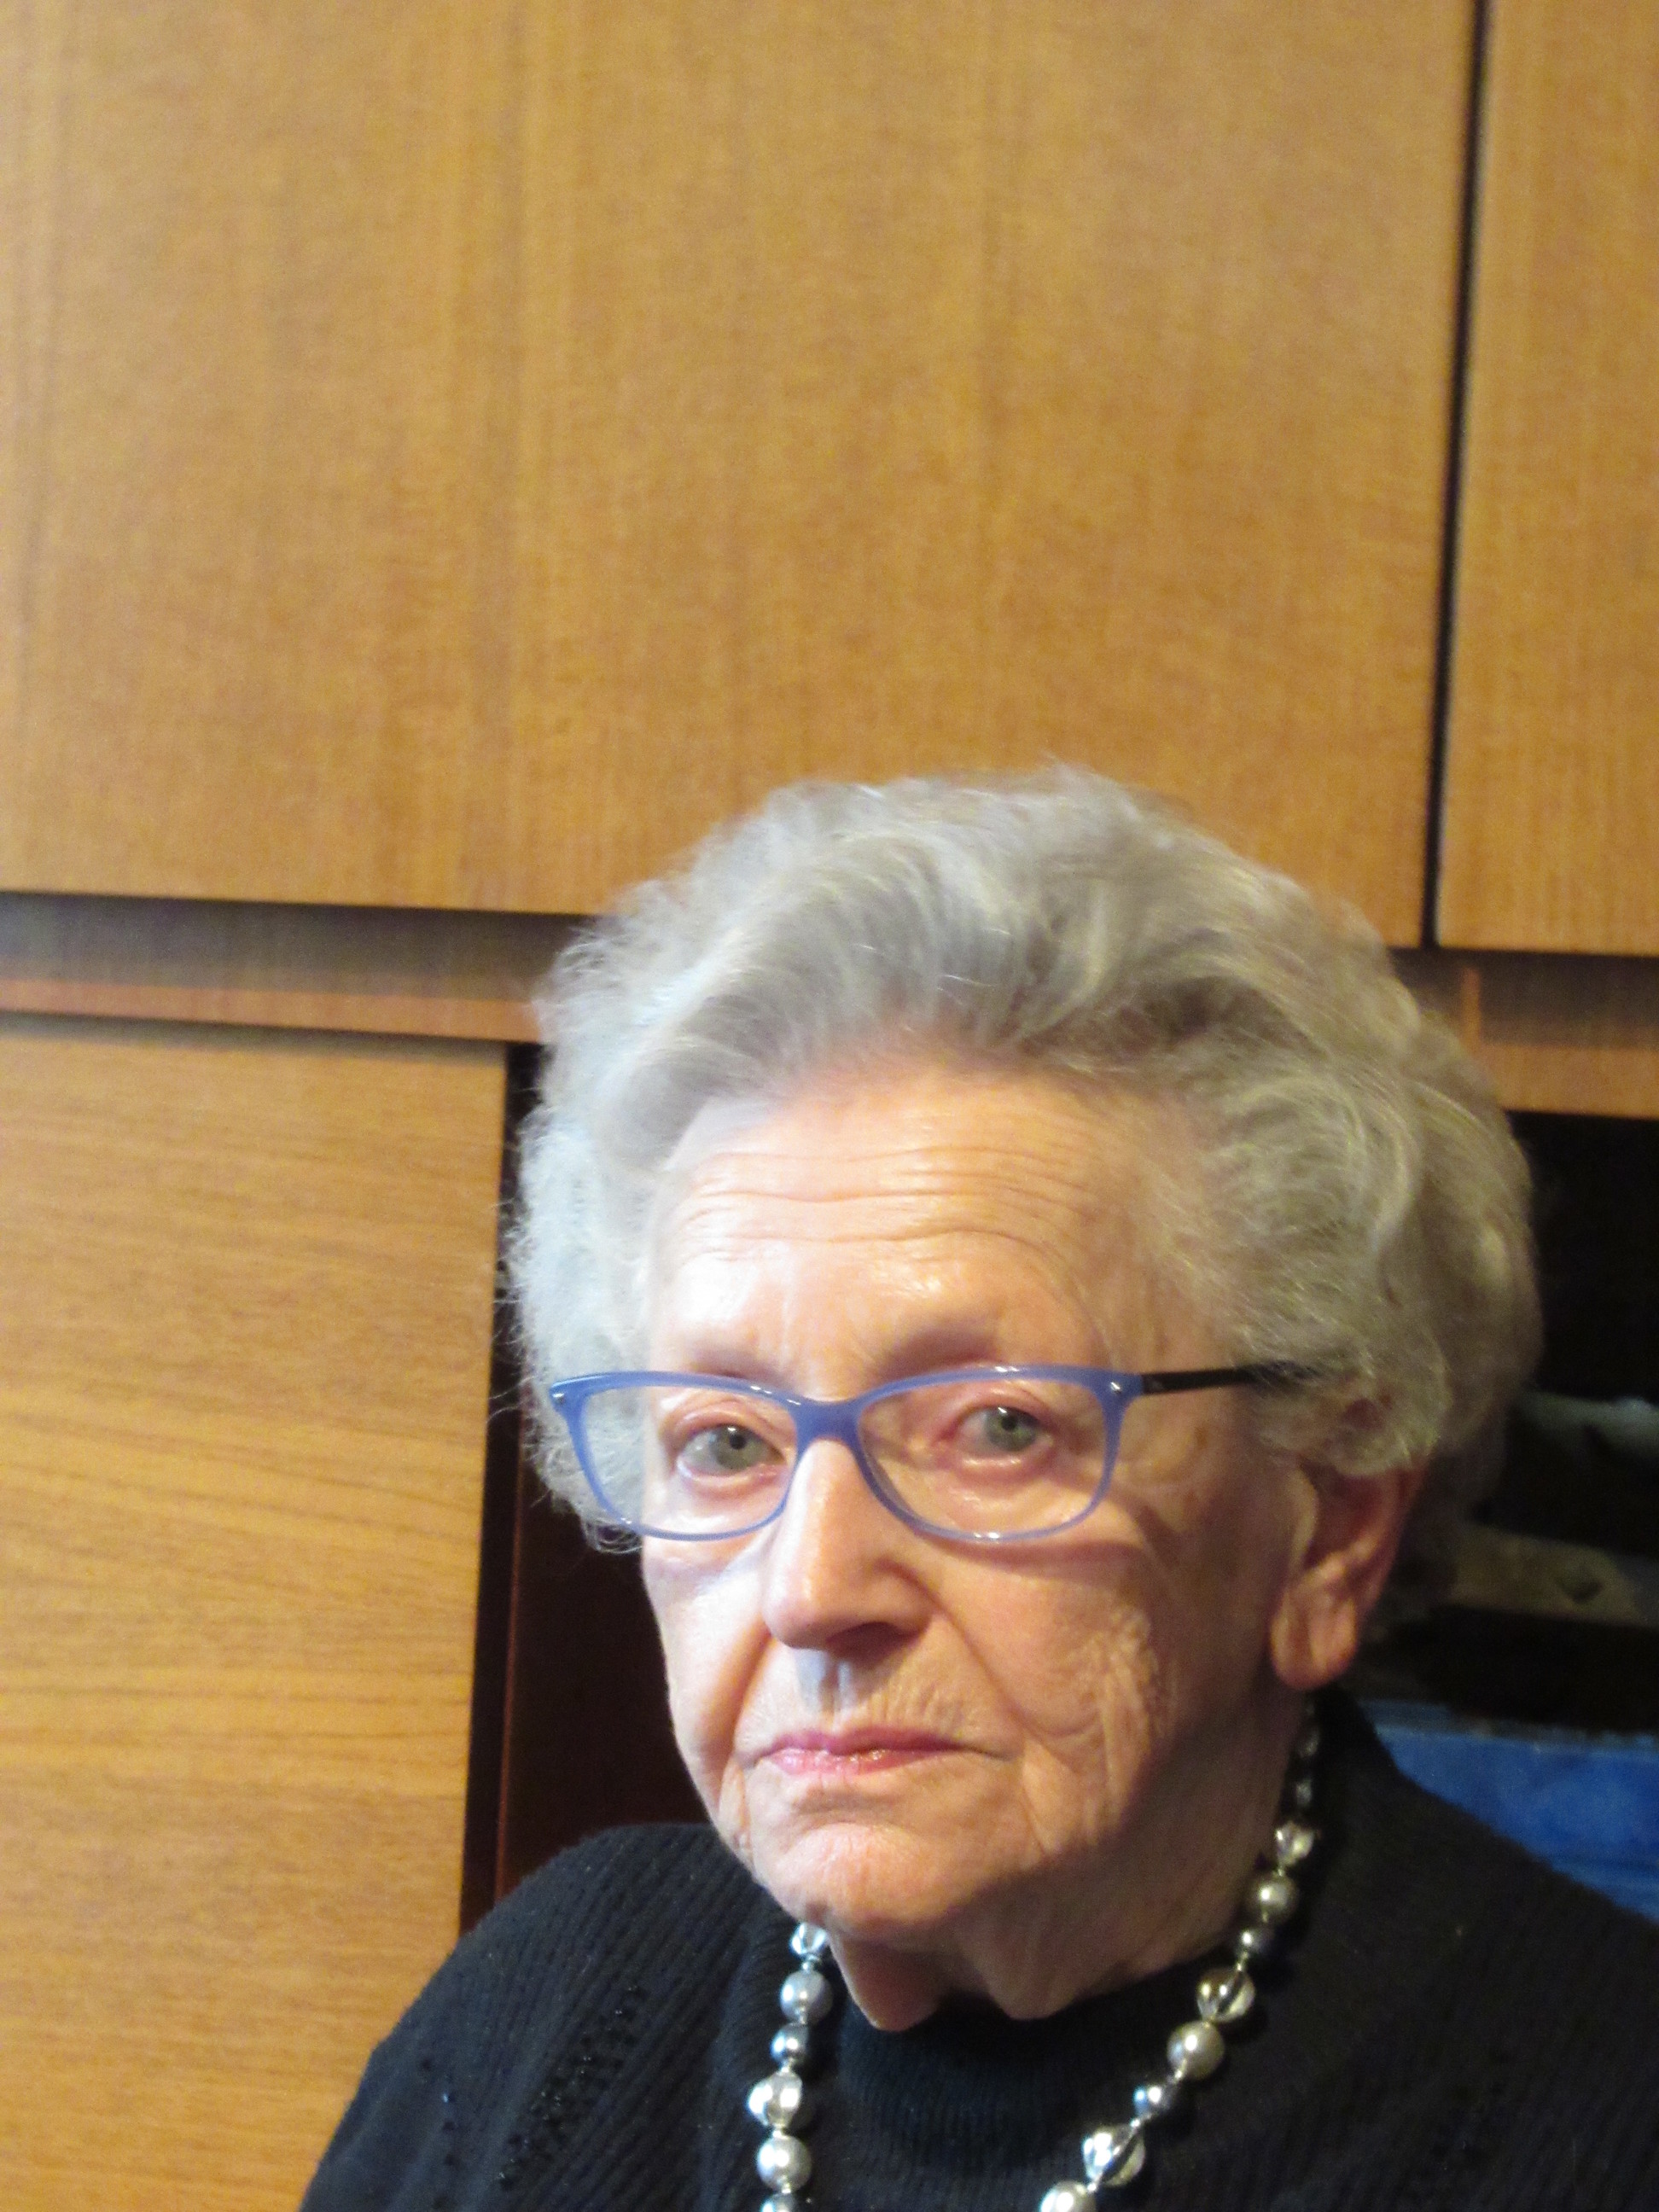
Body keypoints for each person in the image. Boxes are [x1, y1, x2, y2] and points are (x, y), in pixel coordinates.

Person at [303, 773, 1659, 2212]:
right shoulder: (551, 2009)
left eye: (998, 1427)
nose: (812, 1590)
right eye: (728, 1443)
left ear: (1334, 1520)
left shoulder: (1604, 2124)